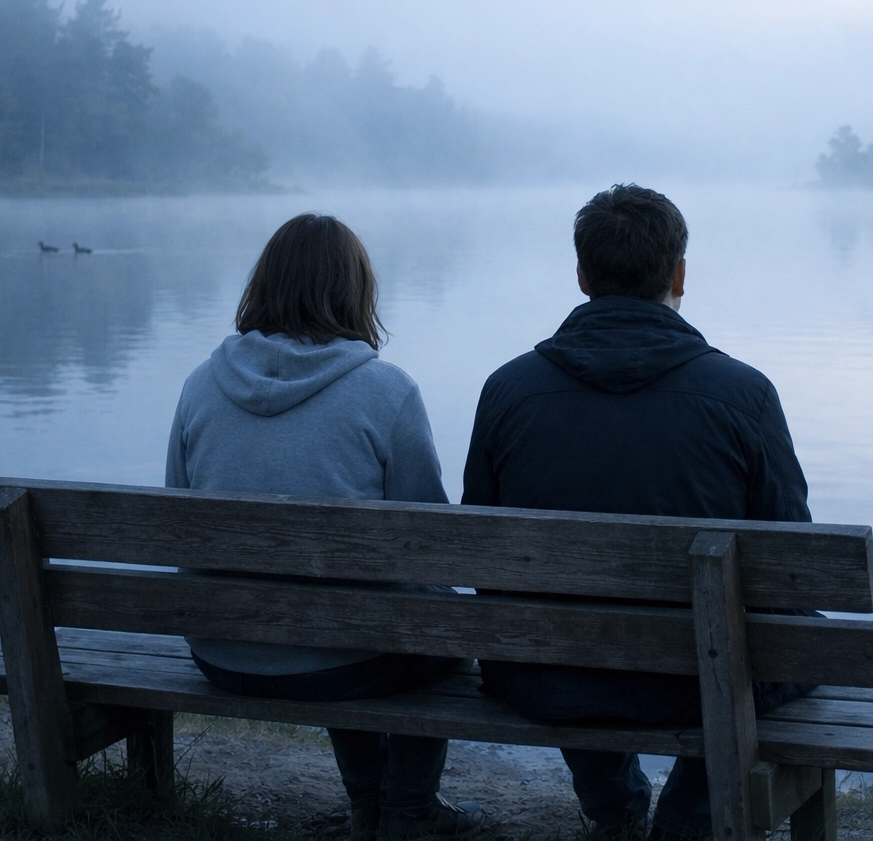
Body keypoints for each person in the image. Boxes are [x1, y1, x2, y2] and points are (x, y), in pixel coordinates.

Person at [462, 184, 814, 841]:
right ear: (679, 274)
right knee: (774, 638)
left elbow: (483, 551)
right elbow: (788, 566)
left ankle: (616, 806)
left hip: (542, 672)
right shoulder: (743, 394)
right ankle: (686, 819)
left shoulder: (507, 390)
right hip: (697, 681)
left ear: (582, 276)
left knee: (570, 628)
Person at [166, 213, 483, 841]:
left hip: (223, 654)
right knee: (433, 621)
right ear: (355, 291)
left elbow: (177, 526)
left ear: (263, 285)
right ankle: (408, 810)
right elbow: (430, 549)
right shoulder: (385, 391)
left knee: (348, 608)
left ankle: (368, 805)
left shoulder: (200, 386)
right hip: (343, 656)